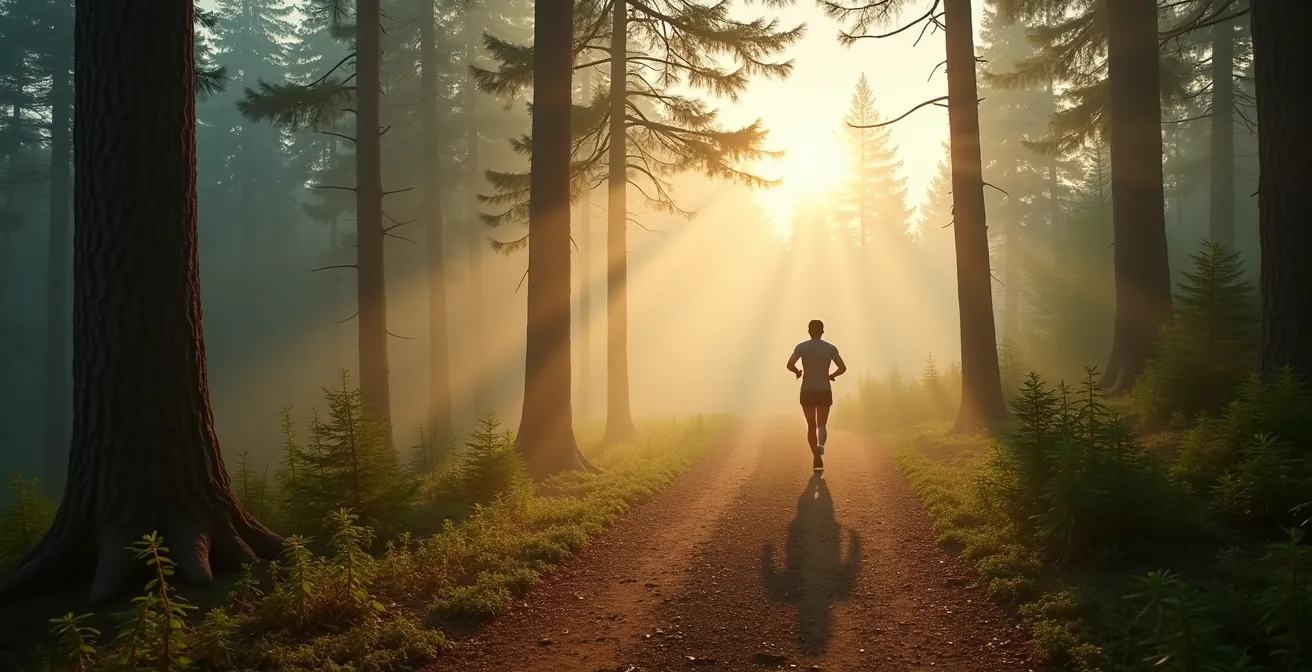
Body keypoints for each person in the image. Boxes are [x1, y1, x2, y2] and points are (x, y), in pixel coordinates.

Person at [786, 319, 846, 470]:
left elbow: (789, 364)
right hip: (824, 389)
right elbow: (842, 367)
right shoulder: (830, 348)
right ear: (823, 331)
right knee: (822, 424)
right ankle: (820, 445)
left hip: (807, 390)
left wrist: (797, 372)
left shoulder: (801, 347)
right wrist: (832, 375)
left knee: (811, 425)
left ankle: (815, 456)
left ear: (808, 331)